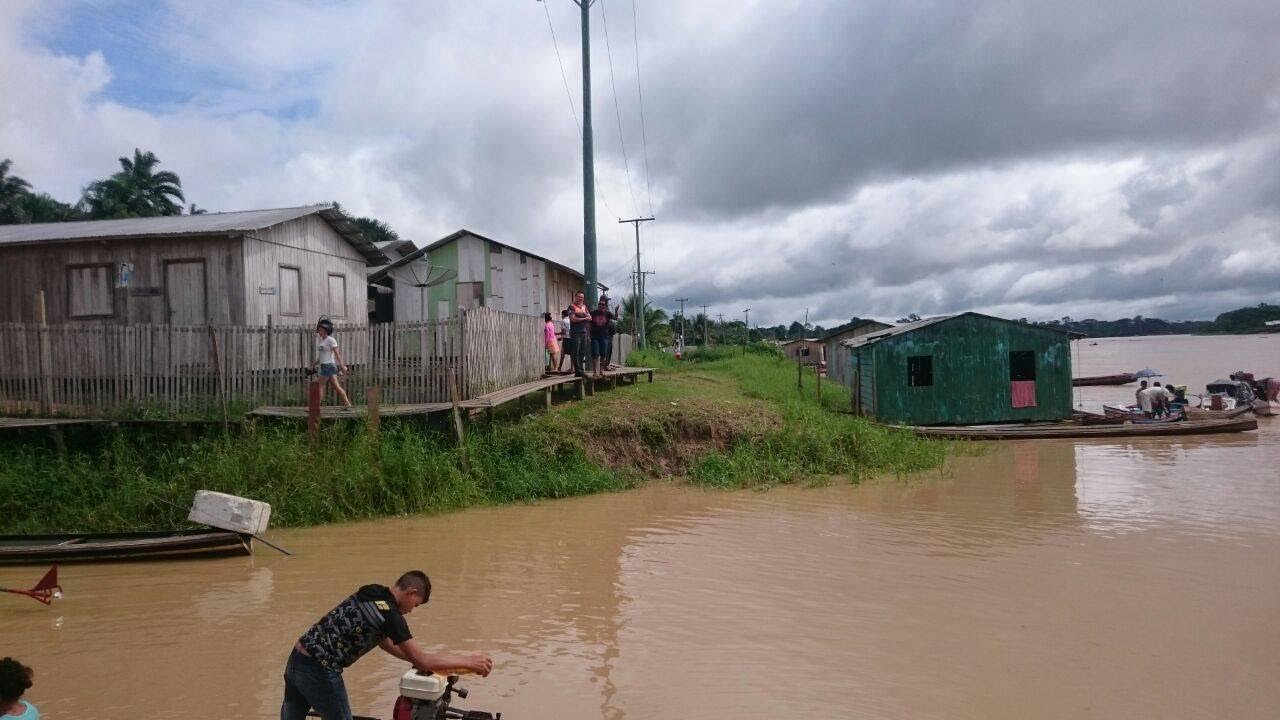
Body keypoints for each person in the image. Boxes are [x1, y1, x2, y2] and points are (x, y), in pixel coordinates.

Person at [282, 571, 492, 720]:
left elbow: (385, 643)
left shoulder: (371, 592)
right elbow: (421, 659)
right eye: (416, 604)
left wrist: (418, 660)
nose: (412, 610)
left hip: (297, 659)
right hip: (320, 669)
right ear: (411, 592)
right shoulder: (390, 616)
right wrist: (469, 662)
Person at [313, 318, 352, 408]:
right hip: (325, 366)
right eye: (319, 330)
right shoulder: (323, 341)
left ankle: (316, 407)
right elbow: (321, 356)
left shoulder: (330, 340)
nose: (319, 332)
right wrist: (314, 365)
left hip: (328, 366)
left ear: (326, 330)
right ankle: (347, 403)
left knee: (319, 385)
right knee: (336, 386)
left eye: (321, 330)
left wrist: (342, 366)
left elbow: (337, 354)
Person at [589, 297, 616, 379]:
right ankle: (595, 372)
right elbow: (588, 323)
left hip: (604, 337)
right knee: (595, 354)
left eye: (603, 304)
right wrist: (588, 334)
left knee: (603, 355)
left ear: (605, 306)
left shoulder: (607, 313)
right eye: (600, 304)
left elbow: (615, 318)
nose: (601, 305)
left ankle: (601, 370)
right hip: (595, 337)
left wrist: (616, 311)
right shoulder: (593, 313)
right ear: (598, 305)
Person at [567, 291, 592, 378]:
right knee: (575, 351)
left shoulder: (584, 306)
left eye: (582, 297)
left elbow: (590, 318)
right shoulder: (571, 306)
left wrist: (582, 316)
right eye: (579, 297)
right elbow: (573, 319)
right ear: (575, 297)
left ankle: (581, 370)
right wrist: (584, 317)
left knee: (582, 351)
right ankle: (578, 370)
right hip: (575, 332)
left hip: (583, 331)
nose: (580, 298)